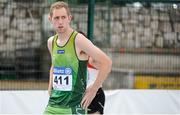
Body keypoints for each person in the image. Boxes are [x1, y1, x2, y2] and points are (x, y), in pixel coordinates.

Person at [43, 1, 112, 114]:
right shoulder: (51, 42)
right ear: (50, 19)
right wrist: (50, 86)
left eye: (63, 17)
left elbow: (107, 63)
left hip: (74, 107)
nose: (60, 21)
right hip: (54, 105)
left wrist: (94, 90)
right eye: (56, 18)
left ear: (69, 18)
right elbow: (54, 65)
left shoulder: (78, 40)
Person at [79, 31, 105, 114]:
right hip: (79, 96)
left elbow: (106, 68)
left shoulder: (91, 57)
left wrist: (94, 86)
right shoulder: (73, 58)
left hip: (94, 95)